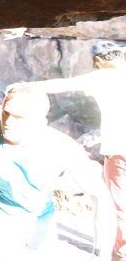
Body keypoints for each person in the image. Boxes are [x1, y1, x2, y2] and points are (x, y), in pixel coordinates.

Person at [0, 87, 110, 260]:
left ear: (41, 122)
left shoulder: (62, 148)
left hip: (41, 213)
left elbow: (100, 195)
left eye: (19, 117)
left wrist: (100, 251)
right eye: (6, 112)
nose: (8, 121)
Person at [7, 40, 126, 260]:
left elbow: (62, 85)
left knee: (119, 205)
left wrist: (25, 87)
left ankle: (120, 253)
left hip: (119, 150)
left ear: (99, 61)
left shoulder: (101, 77)